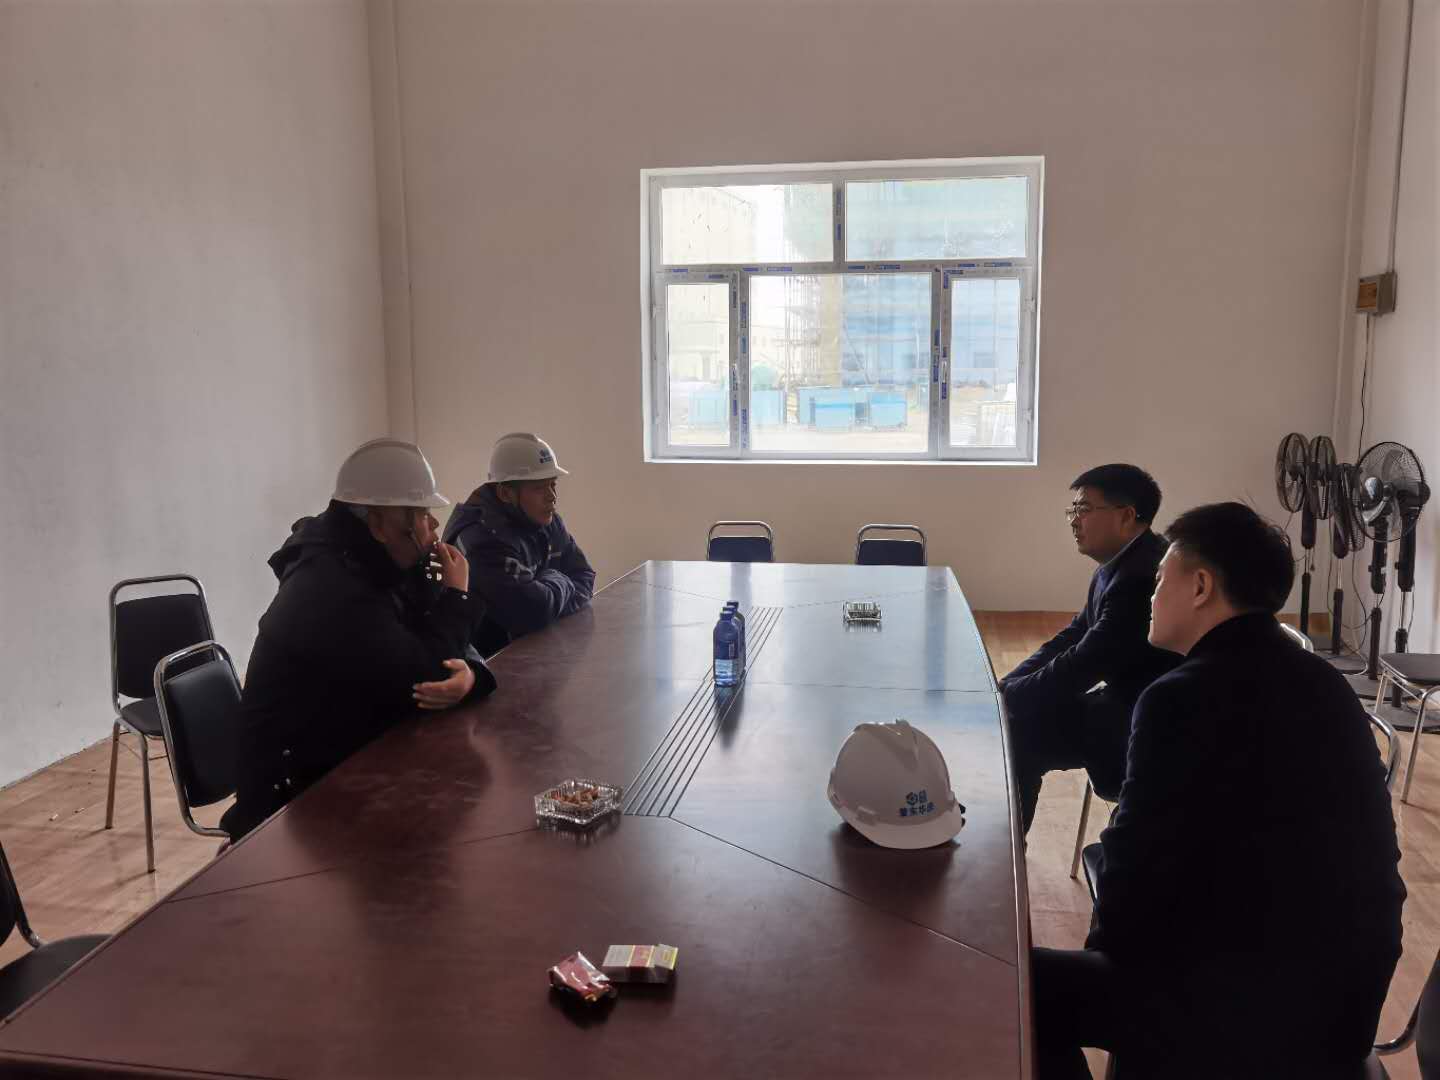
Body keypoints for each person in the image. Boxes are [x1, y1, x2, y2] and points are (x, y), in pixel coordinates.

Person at [1033, 502, 1405, 1078]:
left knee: (1011, 985)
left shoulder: (1181, 696)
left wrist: (1103, 961)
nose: (1152, 595)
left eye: (1161, 579)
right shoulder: (1324, 681)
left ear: (1201, 587)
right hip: (1346, 1004)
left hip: (1241, 1011)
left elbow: (1134, 867)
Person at [223, 438, 497, 840]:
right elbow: (422, 677)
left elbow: (439, 652)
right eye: (422, 514)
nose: (434, 527)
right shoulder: (331, 587)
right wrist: (458, 597)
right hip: (290, 806)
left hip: (351, 756)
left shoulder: (379, 565)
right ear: (379, 524)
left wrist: (470, 676)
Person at [1001, 464, 1178, 833]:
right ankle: (1010, 844)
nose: (1073, 520)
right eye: (1073, 510)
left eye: (1083, 509)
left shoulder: (1140, 577)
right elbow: (1075, 635)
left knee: (1017, 729)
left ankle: (1008, 851)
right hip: (1123, 700)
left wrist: (1008, 698)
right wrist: (1009, 684)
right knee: (1017, 712)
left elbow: (1084, 664)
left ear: (1126, 516)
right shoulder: (1120, 563)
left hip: (1144, 722)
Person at [442, 432, 595, 656]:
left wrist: (548, 598)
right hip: (491, 665)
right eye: (539, 488)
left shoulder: (546, 520)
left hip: (540, 653)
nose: (552, 497)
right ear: (505, 493)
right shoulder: (482, 539)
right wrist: (559, 579)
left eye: (553, 484)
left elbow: (584, 576)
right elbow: (532, 611)